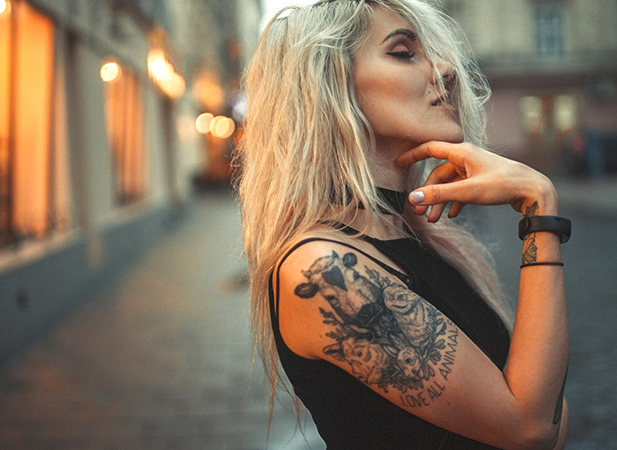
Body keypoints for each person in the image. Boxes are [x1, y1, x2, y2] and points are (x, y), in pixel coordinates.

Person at [236, 0, 570, 448]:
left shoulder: (417, 236)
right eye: (403, 52)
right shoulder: (323, 269)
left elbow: (548, 406)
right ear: (329, 86)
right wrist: (539, 210)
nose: (448, 69)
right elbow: (531, 428)